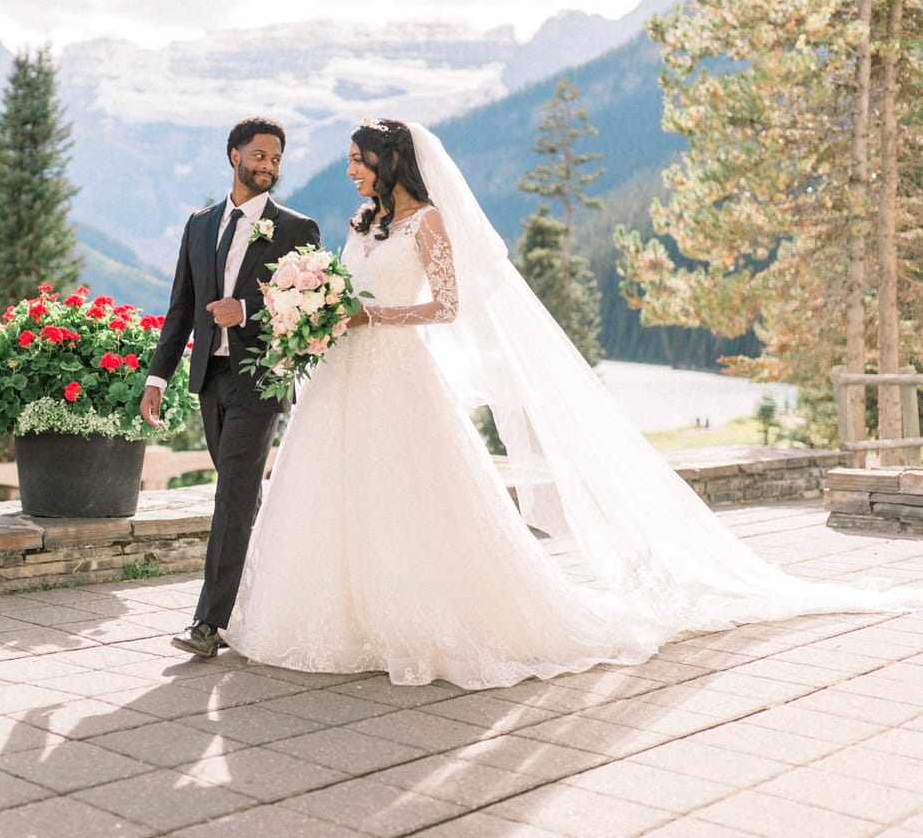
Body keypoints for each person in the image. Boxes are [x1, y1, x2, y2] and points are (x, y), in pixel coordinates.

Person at [224, 118, 921, 689]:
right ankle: (341, 615)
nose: (350, 170)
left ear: (388, 160)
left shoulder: (429, 224)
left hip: (395, 369)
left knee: (410, 490)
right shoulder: (364, 221)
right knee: (340, 489)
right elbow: (348, 287)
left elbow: (447, 306)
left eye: (358, 160)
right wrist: (314, 304)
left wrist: (369, 319)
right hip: (345, 372)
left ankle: (413, 616)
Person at [142, 116, 321, 658]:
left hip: (260, 381)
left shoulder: (296, 228)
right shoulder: (199, 224)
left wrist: (243, 310)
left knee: (231, 497)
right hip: (209, 380)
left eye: (277, 159)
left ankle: (208, 624)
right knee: (243, 497)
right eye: (261, 156)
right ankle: (272, 600)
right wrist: (157, 376)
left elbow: (309, 311)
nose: (269, 167)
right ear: (234, 155)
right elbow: (181, 309)